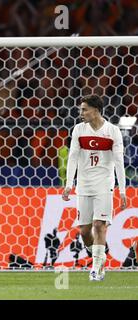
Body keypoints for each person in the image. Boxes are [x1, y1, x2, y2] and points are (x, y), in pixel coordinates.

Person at [62, 94, 127, 281]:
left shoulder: (112, 131)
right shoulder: (78, 130)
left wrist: (122, 190)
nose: (81, 113)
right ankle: (99, 257)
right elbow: (73, 157)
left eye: (84, 109)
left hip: (104, 184)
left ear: (96, 110)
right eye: (81, 109)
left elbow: (119, 162)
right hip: (83, 184)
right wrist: (69, 184)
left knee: (99, 225)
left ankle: (96, 269)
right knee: (84, 231)